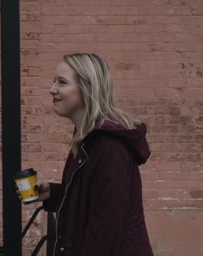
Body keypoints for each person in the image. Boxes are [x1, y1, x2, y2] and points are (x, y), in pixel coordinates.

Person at [17, 53, 153, 255]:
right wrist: (53, 194)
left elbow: (105, 229)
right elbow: (93, 199)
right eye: (54, 81)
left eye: (62, 82)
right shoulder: (87, 140)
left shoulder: (109, 147)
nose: (52, 89)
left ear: (87, 89)